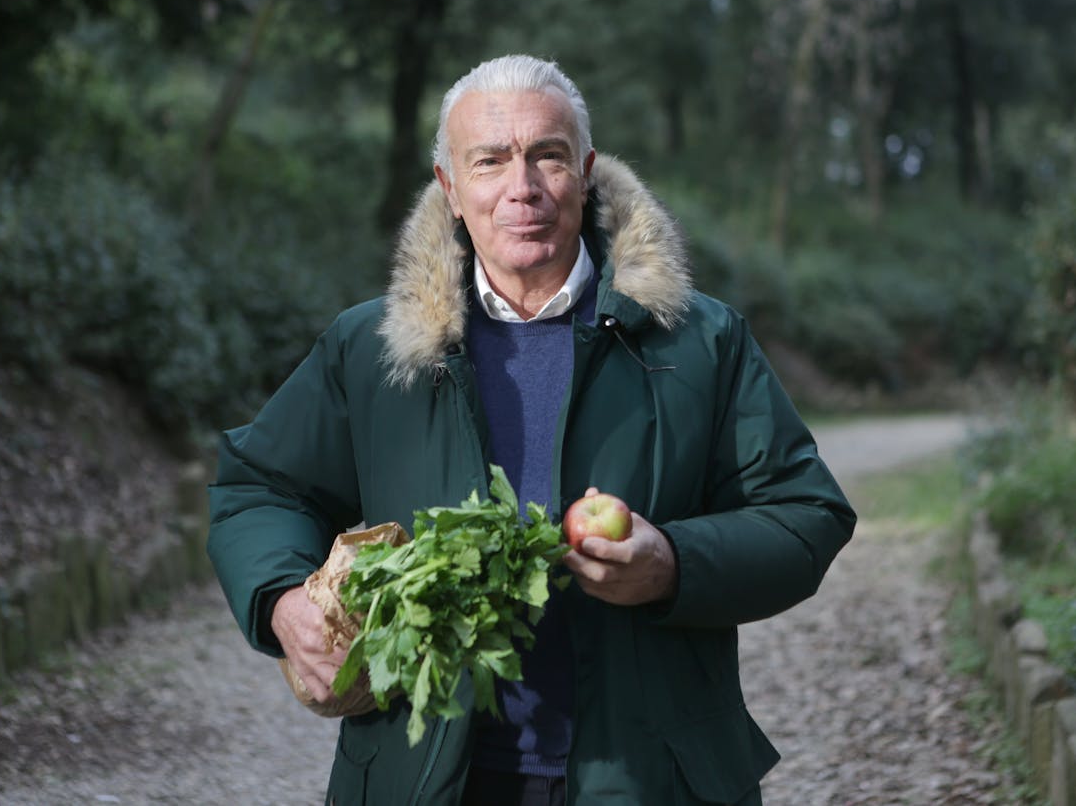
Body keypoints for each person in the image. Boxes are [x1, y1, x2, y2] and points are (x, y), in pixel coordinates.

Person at [207, 54, 856, 806]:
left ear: (584, 171)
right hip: (426, 777)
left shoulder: (697, 341)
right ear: (450, 188)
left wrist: (674, 562)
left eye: (547, 155)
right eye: (490, 161)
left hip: (647, 778)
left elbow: (806, 512)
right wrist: (284, 599)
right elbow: (258, 487)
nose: (523, 187)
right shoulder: (372, 349)